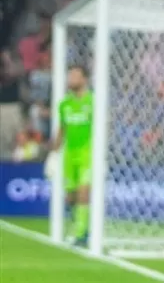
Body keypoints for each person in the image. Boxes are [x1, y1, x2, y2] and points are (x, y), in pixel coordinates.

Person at [49, 65, 93, 247]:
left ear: (84, 79)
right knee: (71, 196)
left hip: (88, 154)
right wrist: (53, 154)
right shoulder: (65, 104)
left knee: (84, 192)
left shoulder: (93, 102)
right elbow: (62, 130)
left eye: (75, 75)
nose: (71, 79)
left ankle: (82, 233)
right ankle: (79, 224)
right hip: (69, 155)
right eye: (70, 75)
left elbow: (104, 127)